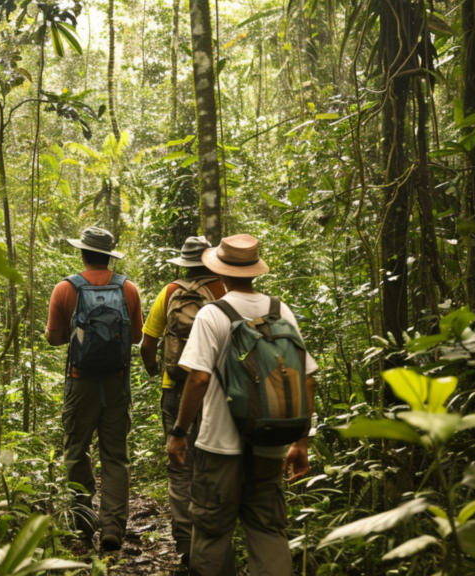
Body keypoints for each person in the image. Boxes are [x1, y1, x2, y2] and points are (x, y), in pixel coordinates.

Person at [165, 234, 317, 576]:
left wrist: (178, 433)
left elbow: (199, 379)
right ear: (254, 271)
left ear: (220, 272)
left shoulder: (212, 314)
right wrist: (300, 442)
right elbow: (306, 378)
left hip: (219, 449)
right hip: (269, 445)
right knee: (268, 529)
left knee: (211, 532)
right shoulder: (281, 310)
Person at [45, 226, 144, 551]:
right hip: (116, 384)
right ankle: (114, 526)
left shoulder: (65, 289)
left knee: (76, 452)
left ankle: (84, 524)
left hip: (80, 382)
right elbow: (137, 337)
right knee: (115, 456)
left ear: (83, 253)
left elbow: (54, 338)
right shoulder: (128, 289)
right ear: (109, 255)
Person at [139, 236, 225, 566]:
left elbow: (148, 345)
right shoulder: (223, 290)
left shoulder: (170, 291)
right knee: (214, 464)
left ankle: (187, 549)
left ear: (183, 263)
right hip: (215, 389)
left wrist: (154, 372)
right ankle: (213, 547)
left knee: (180, 468)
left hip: (174, 387)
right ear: (210, 260)